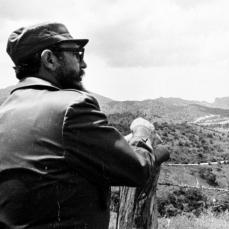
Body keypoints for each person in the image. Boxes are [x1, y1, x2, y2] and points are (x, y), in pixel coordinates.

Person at [0, 22, 169, 229]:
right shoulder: (71, 107)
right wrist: (142, 132)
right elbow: (136, 169)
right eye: (77, 54)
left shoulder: (5, 111)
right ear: (49, 59)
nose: (84, 63)